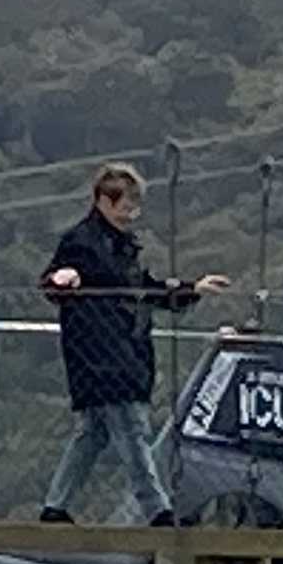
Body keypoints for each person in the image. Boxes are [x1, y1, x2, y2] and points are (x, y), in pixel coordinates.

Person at [38, 163, 230, 526]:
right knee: (133, 431)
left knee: (92, 435)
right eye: (125, 207)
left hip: (120, 351)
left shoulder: (122, 249)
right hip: (102, 355)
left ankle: (55, 506)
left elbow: (146, 287)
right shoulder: (81, 243)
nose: (131, 215)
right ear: (103, 202)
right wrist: (63, 280)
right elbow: (54, 282)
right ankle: (158, 511)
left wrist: (191, 289)